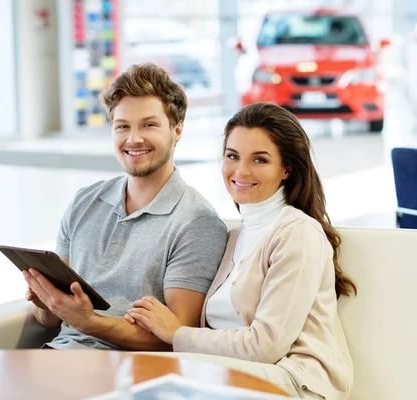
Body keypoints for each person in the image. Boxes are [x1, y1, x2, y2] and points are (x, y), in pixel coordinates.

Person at [125, 102, 356, 399]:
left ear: (286, 169)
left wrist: (177, 334)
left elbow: (265, 346)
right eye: (232, 156)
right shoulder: (235, 236)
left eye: (259, 160)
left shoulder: (297, 233)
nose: (241, 171)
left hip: (294, 382)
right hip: (230, 375)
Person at [22, 63, 227, 350]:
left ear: (177, 130)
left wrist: (89, 322)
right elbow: (48, 321)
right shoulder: (84, 202)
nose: (134, 139)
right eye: (122, 127)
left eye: (149, 125)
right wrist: (47, 301)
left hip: (130, 371)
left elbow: (178, 338)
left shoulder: (197, 222)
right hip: (59, 355)